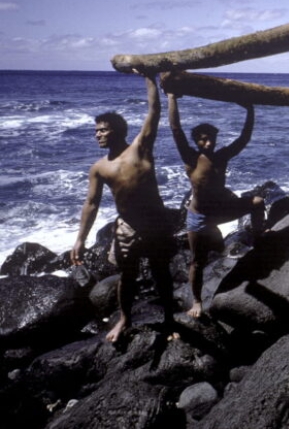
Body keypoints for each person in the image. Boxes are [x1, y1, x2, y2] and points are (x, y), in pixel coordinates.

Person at [71, 73, 177, 343]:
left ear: (118, 131)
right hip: (127, 227)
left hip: (156, 222)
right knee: (127, 276)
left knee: (161, 272)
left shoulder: (140, 148)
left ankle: (170, 320)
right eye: (96, 130)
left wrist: (149, 78)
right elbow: (91, 203)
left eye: (102, 130)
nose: (97, 134)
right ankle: (125, 319)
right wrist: (80, 239)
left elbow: (154, 111)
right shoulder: (99, 167)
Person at [167, 93, 265, 318]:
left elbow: (244, 138)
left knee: (258, 202)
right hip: (199, 217)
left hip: (222, 211)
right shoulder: (191, 158)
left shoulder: (222, 156)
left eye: (211, 138)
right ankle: (197, 301)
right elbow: (175, 129)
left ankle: (259, 237)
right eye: (203, 139)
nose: (208, 143)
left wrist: (250, 109)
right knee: (197, 262)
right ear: (196, 141)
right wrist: (172, 98)